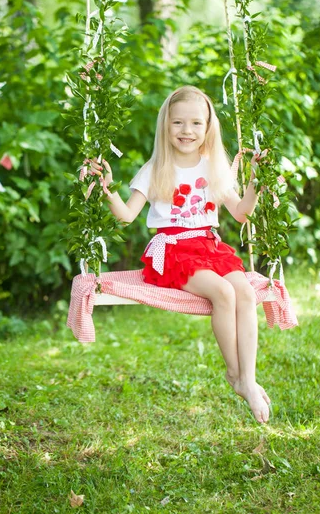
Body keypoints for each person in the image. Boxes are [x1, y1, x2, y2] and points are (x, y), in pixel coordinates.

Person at [90, 86, 270, 424]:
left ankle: (248, 375)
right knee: (223, 292)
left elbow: (242, 213)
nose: (186, 131)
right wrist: (107, 188)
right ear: (165, 125)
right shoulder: (155, 168)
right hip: (173, 250)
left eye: (195, 124)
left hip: (210, 246)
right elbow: (127, 215)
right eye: (178, 123)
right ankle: (237, 376)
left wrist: (256, 183)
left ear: (207, 128)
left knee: (244, 291)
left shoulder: (213, 167)